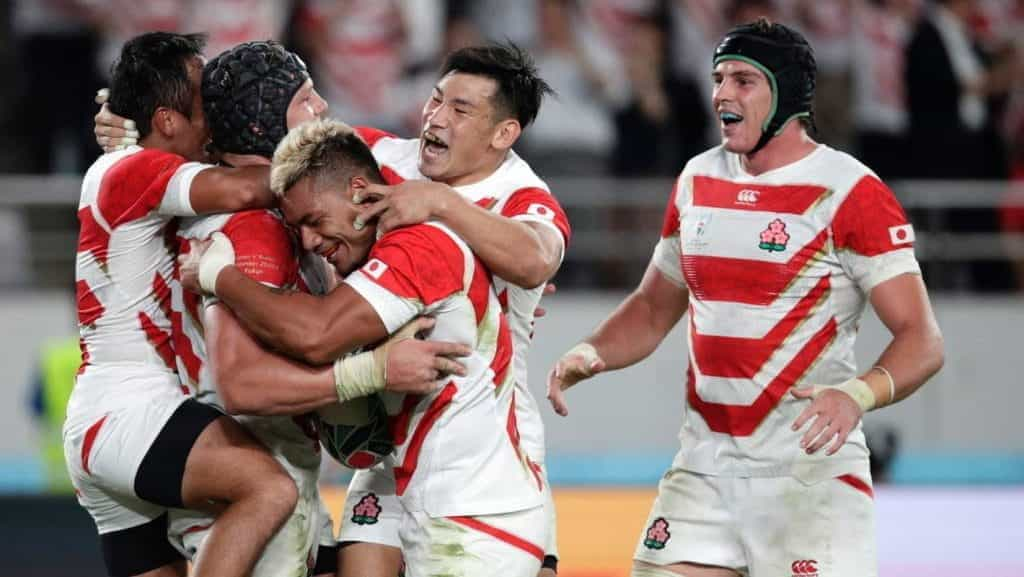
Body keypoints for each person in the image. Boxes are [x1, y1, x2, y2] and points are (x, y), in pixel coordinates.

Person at [95, 41, 570, 577]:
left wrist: (440, 202)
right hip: (389, 448)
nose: (437, 117)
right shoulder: (387, 158)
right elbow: (276, 144)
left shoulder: (521, 194)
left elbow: (536, 259)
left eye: (460, 110)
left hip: (478, 451)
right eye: (435, 100)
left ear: (503, 133)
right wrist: (148, 131)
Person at [548, 19, 944, 577]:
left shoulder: (851, 191)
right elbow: (653, 306)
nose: (721, 95)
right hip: (704, 471)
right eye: (717, 79)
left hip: (808, 479)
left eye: (742, 80)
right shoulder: (696, 178)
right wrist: (591, 352)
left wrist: (858, 394)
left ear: (786, 95)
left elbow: (922, 340)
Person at [183, 117, 548, 576]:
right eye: (298, 229)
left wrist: (221, 278)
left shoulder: (418, 246)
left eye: (314, 222)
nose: (310, 242)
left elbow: (315, 336)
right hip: (429, 498)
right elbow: (359, 450)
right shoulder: (366, 246)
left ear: (360, 190)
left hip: (475, 511)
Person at [161, 40, 468, 577]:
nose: (323, 107)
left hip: (275, 476)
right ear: (264, 124)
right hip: (253, 478)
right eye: (306, 98)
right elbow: (242, 383)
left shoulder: (266, 208)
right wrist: (366, 373)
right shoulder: (253, 228)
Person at [65, 31, 299, 577]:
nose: (215, 106)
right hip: (131, 411)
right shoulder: (135, 168)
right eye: (204, 100)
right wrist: (325, 157)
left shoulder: (125, 166)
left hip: (103, 422)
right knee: (268, 489)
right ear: (168, 120)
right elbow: (248, 190)